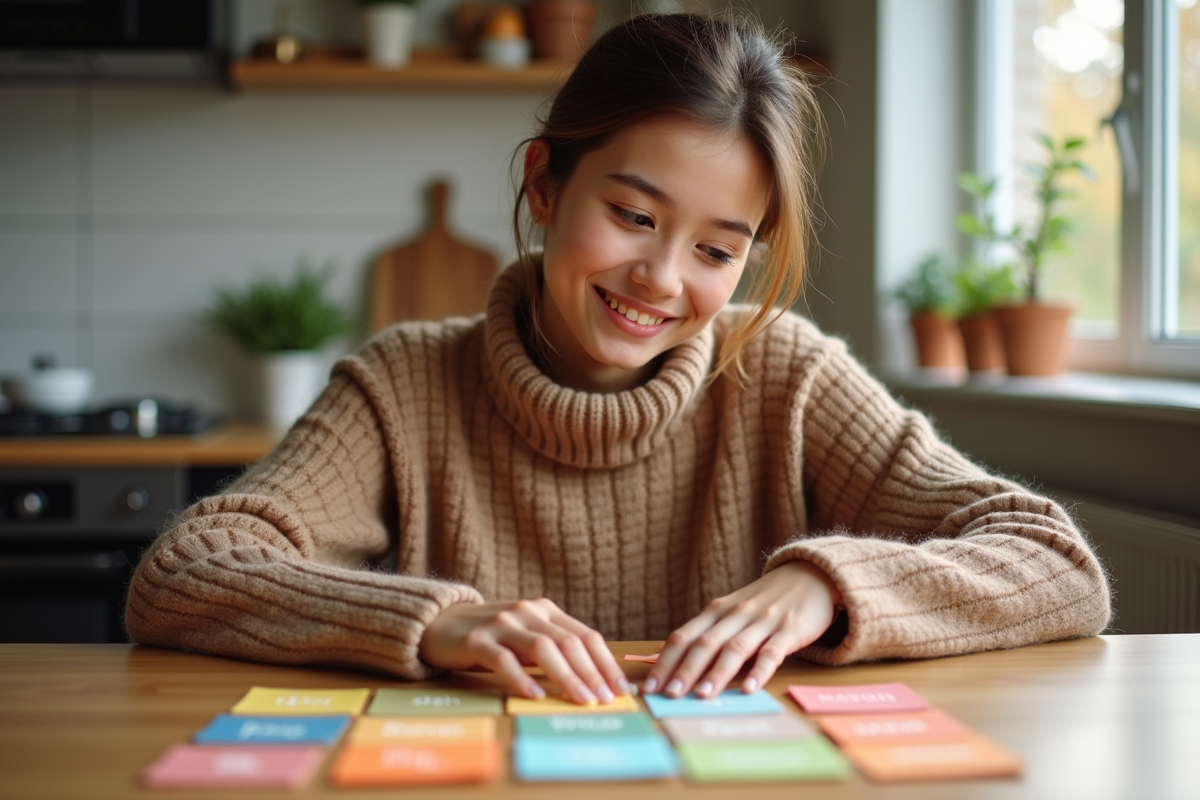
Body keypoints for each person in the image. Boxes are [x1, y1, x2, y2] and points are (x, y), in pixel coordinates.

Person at [126, 13, 1110, 707]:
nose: (662, 278)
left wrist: (831, 583)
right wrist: (435, 620)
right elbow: (184, 573)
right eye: (633, 215)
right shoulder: (404, 383)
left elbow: (1057, 563)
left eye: (718, 249)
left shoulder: (787, 374)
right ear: (545, 185)